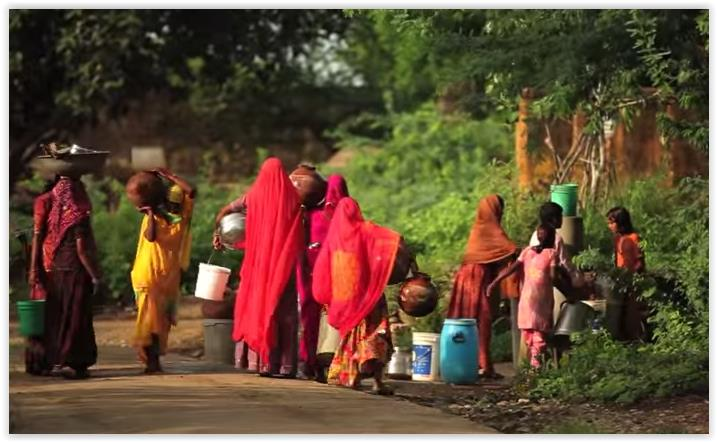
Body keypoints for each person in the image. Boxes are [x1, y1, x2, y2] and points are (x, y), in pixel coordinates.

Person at [312, 197, 398, 395]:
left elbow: (325, 274)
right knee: (377, 337)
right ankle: (377, 382)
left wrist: (330, 300)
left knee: (353, 340)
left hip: (346, 299)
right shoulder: (366, 231)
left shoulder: (334, 242)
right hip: (369, 297)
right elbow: (392, 239)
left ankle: (353, 377)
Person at [229, 158, 304, 378]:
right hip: (285, 267)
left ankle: (262, 363)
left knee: (260, 308)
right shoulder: (293, 199)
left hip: (258, 266)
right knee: (286, 313)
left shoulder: (254, 196)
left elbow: (226, 211)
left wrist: (221, 233)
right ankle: (286, 366)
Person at [27, 175, 100, 379]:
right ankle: (65, 360)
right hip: (60, 267)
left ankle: (57, 359)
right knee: (70, 314)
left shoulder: (67, 213)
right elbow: (81, 250)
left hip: (57, 266)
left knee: (58, 314)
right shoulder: (64, 210)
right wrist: (95, 275)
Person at [130, 168, 195, 374]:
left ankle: (153, 362)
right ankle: (153, 361)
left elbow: (150, 237)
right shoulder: (178, 219)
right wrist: (171, 176)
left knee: (154, 322)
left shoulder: (157, 218)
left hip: (155, 277)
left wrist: (149, 212)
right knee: (156, 321)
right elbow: (190, 191)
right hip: (161, 278)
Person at [447, 194, 517, 379]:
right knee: (480, 321)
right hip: (475, 278)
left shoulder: (478, 228)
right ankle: (484, 366)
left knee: (469, 321)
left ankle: (470, 363)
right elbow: (509, 249)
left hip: (469, 278)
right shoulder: (489, 229)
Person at [295, 173, 350, 380]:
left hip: (311, 271)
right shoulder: (344, 212)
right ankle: (319, 363)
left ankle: (312, 363)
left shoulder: (313, 211)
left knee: (313, 316)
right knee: (327, 317)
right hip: (324, 273)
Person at [488, 224, 559, 369]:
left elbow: (511, 269)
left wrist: (495, 282)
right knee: (538, 337)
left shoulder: (527, 252)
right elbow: (553, 276)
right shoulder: (552, 254)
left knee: (529, 336)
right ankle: (536, 368)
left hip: (527, 300)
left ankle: (534, 368)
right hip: (541, 301)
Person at [606, 206, 646, 341]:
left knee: (632, 313)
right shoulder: (617, 239)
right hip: (620, 281)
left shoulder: (634, 238)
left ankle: (636, 339)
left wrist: (634, 278)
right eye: (609, 223)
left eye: (612, 222)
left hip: (633, 281)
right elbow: (617, 260)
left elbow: (640, 261)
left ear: (621, 222)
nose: (609, 226)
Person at [528, 202, 583, 289]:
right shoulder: (556, 238)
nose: (562, 219)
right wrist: (579, 277)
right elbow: (564, 263)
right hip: (551, 279)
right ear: (554, 219)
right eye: (560, 216)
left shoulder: (535, 234)